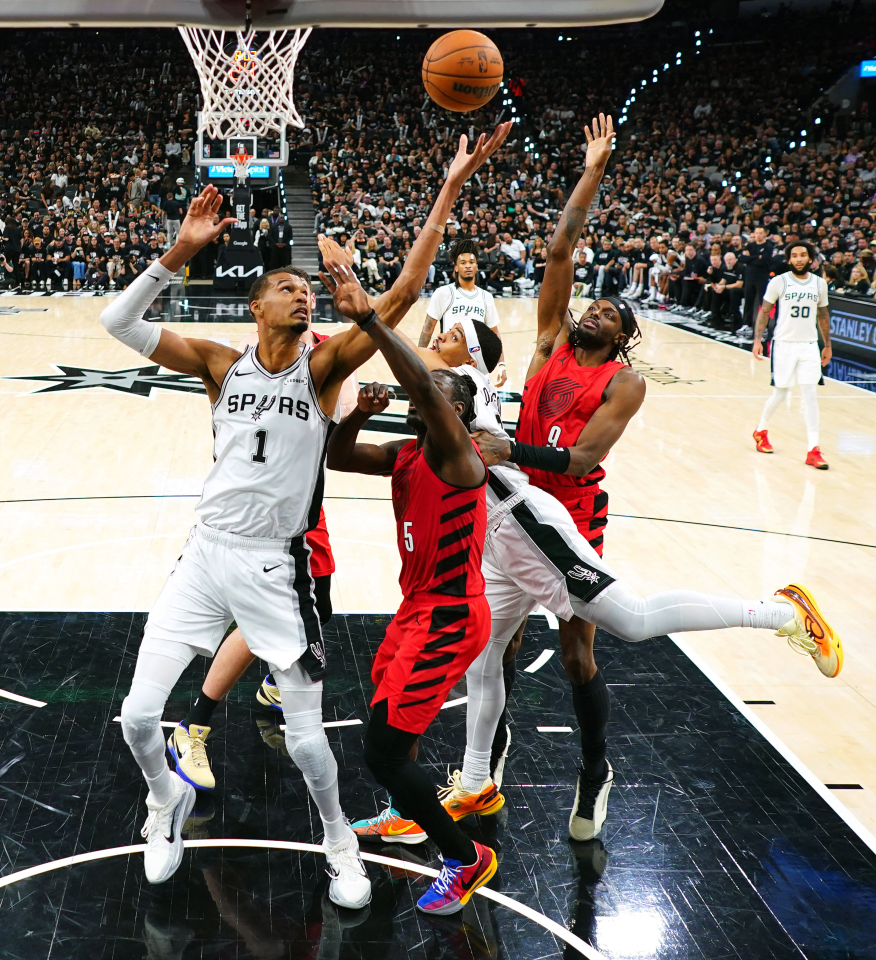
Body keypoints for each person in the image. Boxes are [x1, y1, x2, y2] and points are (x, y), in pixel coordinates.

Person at [380, 114, 843, 848]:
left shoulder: (623, 380)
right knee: (484, 653)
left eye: (610, 311)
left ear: (622, 336)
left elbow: (585, 460)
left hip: (558, 516)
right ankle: (474, 780)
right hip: (505, 521)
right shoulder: (544, 348)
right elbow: (561, 247)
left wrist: (506, 450)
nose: (595, 308)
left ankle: (763, 626)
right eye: (590, 304)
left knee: (591, 645)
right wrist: (593, 169)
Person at [102, 123, 510, 905]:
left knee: (307, 740)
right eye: (288, 286)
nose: (303, 291)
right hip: (204, 552)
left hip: (276, 564)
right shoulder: (218, 362)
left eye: (307, 287)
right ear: (256, 304)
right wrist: (176, 254)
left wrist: (450, 188)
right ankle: (165, 804)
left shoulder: (324, 367)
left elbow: (402, 296)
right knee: (135, 716)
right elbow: (117, 326)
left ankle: (338, 845)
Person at [317, 246, 497, 915]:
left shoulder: (459, 456)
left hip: (451, 614)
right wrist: (357, 413)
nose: (425, 385)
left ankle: (463, 855)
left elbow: (424, 385)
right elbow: (339, 457)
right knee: (393, 729)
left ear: (455, 409)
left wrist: (370, 321)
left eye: (438, 386)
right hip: (419, 608)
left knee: (384, 748)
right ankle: (407, 814)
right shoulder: (407, 452)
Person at [166, 320, 358, 793]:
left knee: (319, 606)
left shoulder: (321, 354)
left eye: (306, 293)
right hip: (265, 523)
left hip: (296, 511)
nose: (303, 301)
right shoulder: (258, 364)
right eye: (290, 289)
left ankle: (274, 680)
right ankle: (194, 725)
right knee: (260, 624)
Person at [752, 241, 832, 469]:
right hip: (784, 344)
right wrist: (758, 339)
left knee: (810, 396)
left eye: (803, 255)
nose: (798, 258)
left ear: (810, 259)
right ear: (789, 260)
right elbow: (764, 311)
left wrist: (827, 345)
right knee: (781, 394)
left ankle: (813, 450)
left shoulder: (819, 284)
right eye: (794, 255)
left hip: (808, 346)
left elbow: (823, 315)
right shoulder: (779, 281)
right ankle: (761, 430)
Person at [419, 238, 507, 385]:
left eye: (471, 262)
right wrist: (419, 358)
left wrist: (502, 365)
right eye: (463, 263)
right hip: (448, 365)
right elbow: (428, 328)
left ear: (477, 266)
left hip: (476, 367)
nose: (468, 266)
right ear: (456, 267)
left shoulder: (486, 297)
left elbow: (495, 334)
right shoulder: (444, 293)